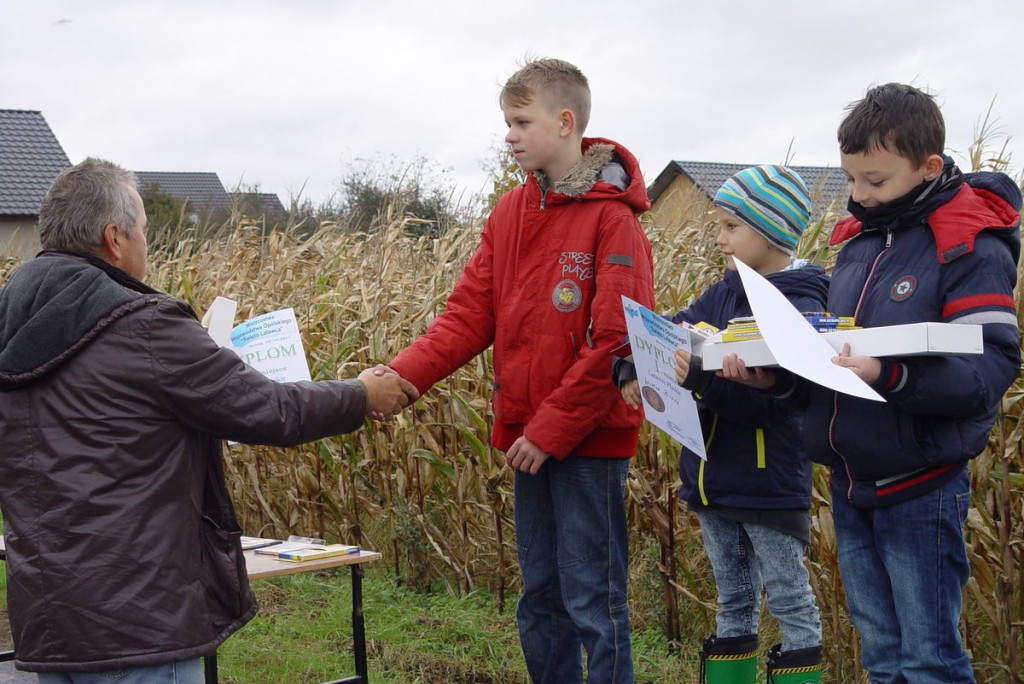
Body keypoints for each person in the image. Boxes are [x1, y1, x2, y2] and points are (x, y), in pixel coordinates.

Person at [0, 158, 418, 683]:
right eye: (145, 232)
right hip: (141, 622)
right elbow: (273, 411)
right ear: (114, 238)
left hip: (52, 620)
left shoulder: (12, 323)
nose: (146, 245)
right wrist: (361, 394)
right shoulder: (143, 327)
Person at [721, 84, 1021, 683]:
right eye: (850, 180)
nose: (858, 197)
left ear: (928, 167)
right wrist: (775, 383)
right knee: (881, 657)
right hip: (853, 484)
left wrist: (892, 373)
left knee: (930, 659)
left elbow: (989, 367)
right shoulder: (857, 247)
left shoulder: (968, 246)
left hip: (921, 485)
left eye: (875, 182)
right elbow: (831, 363)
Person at [383, 58, 655, 683]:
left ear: (565, 122)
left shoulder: (613, 220)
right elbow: (467, 317)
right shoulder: (509, 213)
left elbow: (618, 342)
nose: (508, 135)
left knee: (594, 598)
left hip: (584, 442)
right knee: (540, 598)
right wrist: (400, 376)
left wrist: (549, 431)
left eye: (520, 122)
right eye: (506, 122)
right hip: (527, 440)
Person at [616, 166, 827, 683]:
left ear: (771, 231)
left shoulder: (799, 302)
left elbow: (773, 406)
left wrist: (707, 383)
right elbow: (672, 330)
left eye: (731, 226)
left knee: (789, 602)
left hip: (768, 487)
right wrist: (629, 363)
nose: (719, 239)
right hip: (712, 482)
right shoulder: (722, 293)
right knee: (732, 600)